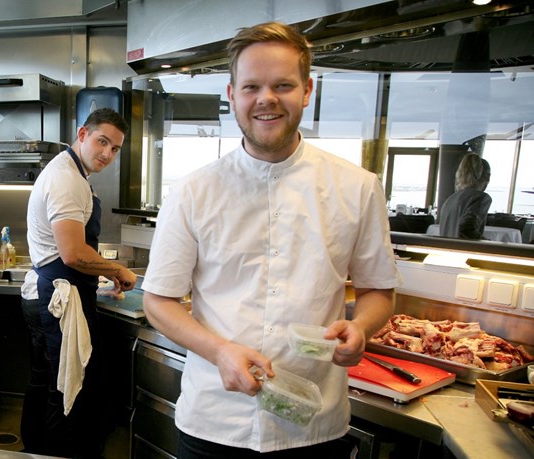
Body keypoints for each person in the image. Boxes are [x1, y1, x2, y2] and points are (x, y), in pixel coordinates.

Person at [141, 22, 401, 457]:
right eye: (252, 86)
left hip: (314, 429)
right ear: (231, 94)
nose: (266, 98)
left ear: (307, 90)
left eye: (283, 84)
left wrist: (360, 327)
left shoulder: (358, 187)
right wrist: (221, 351)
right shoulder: (193, 191)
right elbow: (158, 301)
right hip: (215, 423)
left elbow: (379, 292)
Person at [25, 107, 137, 457]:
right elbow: (73, 253)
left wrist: (102, 272)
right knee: (66, 393)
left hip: (56, 291)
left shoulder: (73, 172)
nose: (107, 153)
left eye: (115, 148)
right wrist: (117, 270)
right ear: (83, 134)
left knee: (49, 385)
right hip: (56, 297)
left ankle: (35, 451)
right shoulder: (66, 179)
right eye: (102, 141)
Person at [438, 153, 492, 240]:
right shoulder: (481, 198)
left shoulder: (450, 199)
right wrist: (488, 243)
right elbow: (465, 229)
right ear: (488, 177)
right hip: (464, 251)